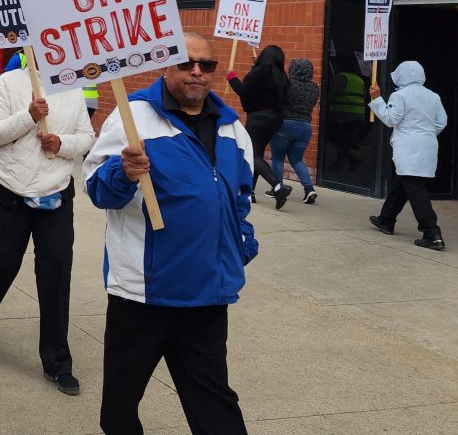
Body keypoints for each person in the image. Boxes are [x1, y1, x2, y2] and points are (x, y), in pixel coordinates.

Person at [85, 32, 256, 435]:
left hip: (207, 295)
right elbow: (97, 188)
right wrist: (123, 173)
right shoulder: (134, 117)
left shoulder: (233, 129)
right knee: (120, 412)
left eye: (206, 65)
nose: (196, 72)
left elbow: (240, 198)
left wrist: (241, 243)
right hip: (145, 295)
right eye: (186, 63)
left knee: (215, 410)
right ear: (166, 64)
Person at [0, 64, 94, 396]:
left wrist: (61, 142)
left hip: (55, 192)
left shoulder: (73, 87)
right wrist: (29, 116)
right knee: (5, 260)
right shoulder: (10, 82)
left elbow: (87, 137)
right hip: (10, 188)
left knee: (56, 270)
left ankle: (57, 362)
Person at [368, 61, 448, 251]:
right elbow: (441, 122)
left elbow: (390, 120)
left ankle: (432, 233)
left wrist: (377, 99)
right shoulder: (433, 96)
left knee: (414, 187)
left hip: (407, 145)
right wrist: (425, 133)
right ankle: (386, 219)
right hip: (428, 144)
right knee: (404, 182)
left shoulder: (400, 94)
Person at [226, 45, 292, 208]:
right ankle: (251, 192)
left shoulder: (259, 73)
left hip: (258, 117)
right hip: (276, 118)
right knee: (257, 154)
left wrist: (232, 78)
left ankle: (278, 186)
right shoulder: (282, 77)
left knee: (252, 155)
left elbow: (245, 92)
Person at [266, 59, 319, 204]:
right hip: (305, 127)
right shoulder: (315, 88)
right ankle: (309, 189)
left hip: (285, 125)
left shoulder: (287, 85)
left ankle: (277, 187)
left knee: (277, 158)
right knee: (296, 159)